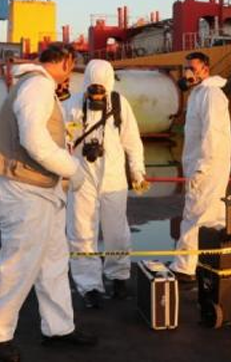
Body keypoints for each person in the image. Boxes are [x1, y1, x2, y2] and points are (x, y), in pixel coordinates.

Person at [0, 43, 96, 362]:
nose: (70, 74)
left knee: (53, 262)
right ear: (66, 62)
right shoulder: (38, 86)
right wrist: (74, 170)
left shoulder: (32, 84)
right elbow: (35, 141)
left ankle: (59, 328)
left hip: (40, 189)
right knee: (18, 264)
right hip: (25, 191)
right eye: (71, 66)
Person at [65, 59, 147, 309]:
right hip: (81, 177)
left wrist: (137, 171)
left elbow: (132, 142)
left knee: (117, 232)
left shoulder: (120, 105)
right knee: (81, 232)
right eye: (93, 89)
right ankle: (88, 285)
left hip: (113, 178)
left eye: (101, 90)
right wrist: (64, 171)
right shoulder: (72, 105)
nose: (97, 95)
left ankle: (119, 276)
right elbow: (61, 141)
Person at [170, 51, 231, 281]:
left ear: (205, 69)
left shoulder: (211, 94)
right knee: (214, 216)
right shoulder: (199, 93)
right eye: (186, 67)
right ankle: (216, 262)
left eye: (193, 68)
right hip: (205, 165)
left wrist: (202, 168)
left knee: (194, 214)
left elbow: (213, 134)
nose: (188, 73)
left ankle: (184, 268)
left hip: (207, 166)